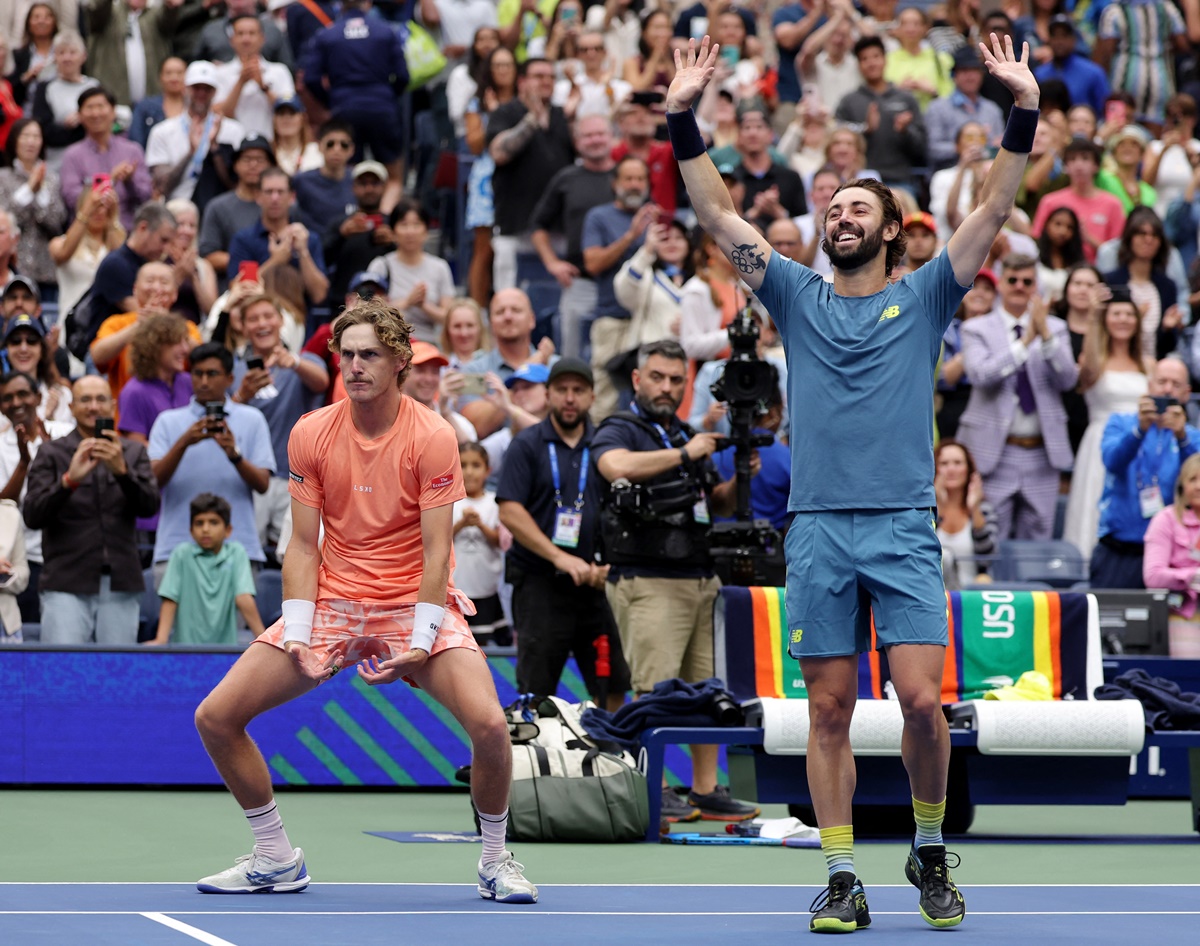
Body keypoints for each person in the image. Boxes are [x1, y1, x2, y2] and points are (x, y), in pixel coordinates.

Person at [664, 31, 1041, 932]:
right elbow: (719, 216)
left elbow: (992, 206)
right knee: (827, 709)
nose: (840, 214)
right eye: (833, 206)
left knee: (920, 701)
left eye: (857, 207)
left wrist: (1021, 109)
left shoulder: (931, 292)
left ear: (894, 233)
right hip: (819, 529)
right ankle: (841, 877)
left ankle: (929, 848)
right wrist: (681, 116)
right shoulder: (795, 294)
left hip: (905, 525)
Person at [191, 298, 539, 903]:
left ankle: (493, 860)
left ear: (400, 360)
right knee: (216, 718)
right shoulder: (310, 432)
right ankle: (275, 856)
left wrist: (421, 642)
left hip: (415, 601)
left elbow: (438, 555)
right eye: (346, 355)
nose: (354, 366)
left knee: (489, 726)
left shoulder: (432, 435)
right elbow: (302, 545)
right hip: (334, 601)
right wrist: (298, 631)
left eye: (369, 355)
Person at [591, 338, 759, 823]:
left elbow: (717, 504)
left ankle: (705, 790)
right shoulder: (620, 428)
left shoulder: (683, 432)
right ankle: (653, 786)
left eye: (676, 380)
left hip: (700, 577)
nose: (667, 388)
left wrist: (737, 479)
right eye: (658, 378)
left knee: (707, 691)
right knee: (655, 689)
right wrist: (686, 453)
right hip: (648, 578)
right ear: (639, 380)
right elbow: (614, 466)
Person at [498, 357, 630, 707]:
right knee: (535, 691)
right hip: (541, 585)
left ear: (591, 396)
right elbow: (510, 510)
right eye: (561, 390)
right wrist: (561, 558)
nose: (569, 398)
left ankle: (611, 756)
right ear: (547, 394)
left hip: (596, 586)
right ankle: (542, 759)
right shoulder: (527, 444)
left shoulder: (605, 447)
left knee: (613, 683)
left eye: (578, 390)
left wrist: (610, 566)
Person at [22, 375, 159, 644]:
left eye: (100, 399)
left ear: (113, 405)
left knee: (116, 676)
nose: (93, 407)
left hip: (121, 582)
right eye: (85, 400)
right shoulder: (52, 453)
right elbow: (32, 515)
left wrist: (122, 473)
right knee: (64, 675)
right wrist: (68, 481)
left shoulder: (132, 453)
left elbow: (150, 507)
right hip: (65, 583)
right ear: (71, 407)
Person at [958, 255, 1079, 541]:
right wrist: (1025, 343)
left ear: (1036, 285)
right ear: (1000, 283)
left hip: (1042, 453)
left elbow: (1068, 380)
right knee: (990, 538)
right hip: (993, 453)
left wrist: (1045, 334)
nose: (1020, 287)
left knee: (1039, 540)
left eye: (1028, 281)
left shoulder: (1056, 328)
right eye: (1013, 280)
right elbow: (980, 375)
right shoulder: (976, 328)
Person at [148, 342, 274, 580]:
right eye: (198, 373)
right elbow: (152, 481)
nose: (204, 381)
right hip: (176, 548)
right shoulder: (167, 421)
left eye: (212, 374)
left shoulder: (252, 419)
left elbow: (263, 484)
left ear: (229, 378)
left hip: (238, 548)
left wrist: (234, 455)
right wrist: (184, 442)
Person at [229, 294, 328, 549]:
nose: (262, 323)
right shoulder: (235, 371)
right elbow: (226, 422)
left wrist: (294, 363)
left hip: (297, 476)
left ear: (280, 320)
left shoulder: (305, 361)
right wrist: (242, 395)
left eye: (267, 316)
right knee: (248, 552)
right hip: (252, 478)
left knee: (297, 552)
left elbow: (322, 382)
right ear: (243, 326)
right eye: (253, 319)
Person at [1094, 356, 1198, 589]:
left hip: (1171, 555)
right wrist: (1139, 431)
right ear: (1149, 385)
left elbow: (1196, 478)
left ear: (1186, 393)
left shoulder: (1191, 435)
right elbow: (1112, 461)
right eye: (1162, 381)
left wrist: (1182, 438)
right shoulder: (1121, 423)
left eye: (1176, 384)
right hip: (1119, 546)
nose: (1168, 388)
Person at [1062, 287, 1148, 561]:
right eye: (1116, 314)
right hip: (1102, 443)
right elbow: (1086, 374)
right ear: (1106, 319)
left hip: (1141, 445)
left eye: (1129, 314)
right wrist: (1094, 316)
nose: (1123, 319)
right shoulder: (1094, 361)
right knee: (1095, 504)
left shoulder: (1148, 363)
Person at [302, 0, 409, 211]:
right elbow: (404, 76)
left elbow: (311, 78)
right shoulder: (386, 31)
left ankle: (354, 221)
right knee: (394, 177)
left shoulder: (328, 34)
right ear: (368, 3)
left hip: (344, 108)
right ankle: (384, 223)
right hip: (382, 107)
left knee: (349, 174)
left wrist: (331, 100)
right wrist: (387, 96)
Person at [529, 113, 618, 362]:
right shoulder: (567, 178)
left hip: (622, 284)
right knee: (571, 356)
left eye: (600, 134)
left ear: (611, 137)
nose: (595, 140)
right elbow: (537, 225)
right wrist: (552, 263)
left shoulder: (626, 176)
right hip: (580, 283)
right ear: (578, 142)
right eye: (588, 135)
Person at [487, 57, 575, 291]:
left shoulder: (561, 115)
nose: (546, 81)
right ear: (522, 81)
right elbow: (499, 153)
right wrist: (531, 120)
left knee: (560, 291)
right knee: (507, 295)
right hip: (514, 223)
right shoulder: (506, 112)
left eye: (550, 77)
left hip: (556, 225)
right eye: (538, 76)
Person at [0, 368, 73, 628]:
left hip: (65, 554)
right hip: (23, 559)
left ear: (38, 398)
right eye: (7, 398)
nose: (16, 403)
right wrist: (24, 462)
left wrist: (54, 451)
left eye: (23, 394)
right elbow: (2, 505)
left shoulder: (65, 433)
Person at [150, 491, 264, 646]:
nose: (205, 529)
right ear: (191, 530)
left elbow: (243, 597)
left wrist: (264, 640)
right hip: (185, 651)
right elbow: (170, 599)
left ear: (228, 530)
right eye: (199, 523)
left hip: (224, 652)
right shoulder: (181, 553)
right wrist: (161, 640)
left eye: (213, 522)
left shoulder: (237, 552)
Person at [146, 60, 247, 209]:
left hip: (220, 206)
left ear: (215, 92)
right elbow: (162, 186)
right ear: (185, 89)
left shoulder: (233, 130)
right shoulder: (162, 131)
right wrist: (190, 153)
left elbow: (236, 183)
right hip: (177, 206)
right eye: (196, 88)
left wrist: (215, 149)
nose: (201, 93)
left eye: (207, 89)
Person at [835, 34, 928, 194]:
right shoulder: (849, 101)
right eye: (864, 59)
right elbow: (838, 138)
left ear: (885, 59)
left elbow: (922, 148)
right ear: (858, 65)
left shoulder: (906, 99)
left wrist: (905, 131)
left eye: (876, 56)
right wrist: (866, 130)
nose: (871, 63)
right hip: (861, 180)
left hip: (900, 181)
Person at [227, 167, 329, 308]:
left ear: (292, 197)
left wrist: (303, 252)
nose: (275, 198)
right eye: (269, 192)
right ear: (258, 196)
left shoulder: (308, 239)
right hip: (257, 318)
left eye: (280, 192)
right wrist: (275, 261)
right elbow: (237, 289)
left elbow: (319, 295)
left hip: (303, 321)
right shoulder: (243, 239)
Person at [58, 86, 153, 232]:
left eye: (101, 107)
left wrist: (129, 181)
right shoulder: (72, 155)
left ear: (113, 111)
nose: (96, 113)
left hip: (126, 232)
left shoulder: (132, 150)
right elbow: (72, 199)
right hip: (87, 235)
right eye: (89, 108)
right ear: (80, 115)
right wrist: (110, 181)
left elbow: (146, 196)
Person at [367, 199, 456, 345]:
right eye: (403, 225)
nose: (410, 231)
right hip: (389, 342)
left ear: (426, 231)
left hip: (428, 343)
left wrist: (424, 305)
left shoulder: (440, 267)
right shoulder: (380, 266)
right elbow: (370, 312)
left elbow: (449, 317)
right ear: (393, 231)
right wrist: (407, 302)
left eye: (416, 225)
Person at [1030, 136, 1126, 264]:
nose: (1078, 165)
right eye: (1072, 159)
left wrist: (1086, 238)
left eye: (1085, 158)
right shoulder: (1050, 201)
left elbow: (1118, 252)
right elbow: (1037, 241)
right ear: (1066, 166)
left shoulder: (1113, 204)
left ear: (1096, 166)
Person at [0, 118, 67, 298]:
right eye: (26, 136)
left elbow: (56, 222)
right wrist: (29, 190)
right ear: (15, 140)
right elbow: (5, 220)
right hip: (13, 266)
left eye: (36, 136)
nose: (31, 141)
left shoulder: (51, 179)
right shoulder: (3, 177)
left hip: (47, 267)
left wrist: (40, 194)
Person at [451, 441, 507, 644]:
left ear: (488, 470)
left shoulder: (495, 503)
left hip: (486, 589)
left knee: (486, 645)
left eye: (476, 465)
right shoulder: (450, 502)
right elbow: (439, 539)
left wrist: (480, 525)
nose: (469, 472)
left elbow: (500, 542)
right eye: (463, 465)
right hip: (456, 589)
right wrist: (462, 524)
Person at [86, 200, 177, 323]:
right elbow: (147, 316)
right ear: (143, 228)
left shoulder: (150, 264)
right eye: (163, 240)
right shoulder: (115, 264)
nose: (166, 249)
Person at [196, 133, 272, 279]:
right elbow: (208, 255)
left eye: (260, 159)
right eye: (247, 159)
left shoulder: (280, 205)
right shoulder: (217, 207)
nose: (253, 165)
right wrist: (250, 260)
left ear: (271, 165)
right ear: (235, 165)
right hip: (232, 286)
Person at [1147, 453, 1200, 658]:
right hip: (1179, 612)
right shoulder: (1165, 519)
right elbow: (1153, 576)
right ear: (1181, 486)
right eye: (1192, 479)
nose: (1198, 486)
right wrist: (1192, 576)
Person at [84, 0, 182, 109]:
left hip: (150, 100)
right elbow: (96, 13)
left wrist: (171, 7)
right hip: (113, 102)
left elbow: (169, 24)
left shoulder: (155, 14)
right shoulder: (110, 12)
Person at [212, 14, 295, 143]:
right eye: (240, 34)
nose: (246, 39)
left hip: (272, 144)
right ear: (231, 40)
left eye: (252, 33)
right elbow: (219, 114)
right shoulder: (220, 73)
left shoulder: (279, 71)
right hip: (233, 145)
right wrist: (241, 82)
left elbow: (290, 110)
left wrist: (263, 86)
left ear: (262, 38)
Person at [924, 46, 1005, 171]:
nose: (970, 76)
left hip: (985, 172)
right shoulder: (938, 108)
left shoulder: (992, 109)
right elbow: (932, 149)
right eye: (964, 71)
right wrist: (962, 147)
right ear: (954, 75)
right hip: (949, 171)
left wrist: (994, 146)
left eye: (974, 71)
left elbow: (999, 143)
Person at [48, 181, 123, 318]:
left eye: (103, 206)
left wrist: (113, 219)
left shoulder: (115, 244)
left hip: (107, 327)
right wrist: (86, 211)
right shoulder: (60, 242)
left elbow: (124, 266)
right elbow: (63, 253)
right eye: (94, 205)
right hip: (72, 325)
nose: (98, 211)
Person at [323, 160, 394, 302]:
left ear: (384, 187)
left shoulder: (394, 224)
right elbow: (323, 259)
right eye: (363, 184)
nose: (369, 189)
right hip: (343, 303)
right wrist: (341, 235)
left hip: (387, 301)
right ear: (353, 187)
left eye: (374, 184)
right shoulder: (340, 224)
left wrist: (393, 242)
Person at [934, 439, 998, 588]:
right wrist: (940, 508)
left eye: (957, 463)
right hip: (933, 591)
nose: (951, 469)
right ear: (934, 469)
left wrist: (974, 509)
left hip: (972, 595)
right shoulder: (925, 510)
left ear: (968, 469)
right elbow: (920, 548)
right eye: (944, 464)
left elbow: (988, 557)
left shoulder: (985, 509)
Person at [29, 30, 95, 167]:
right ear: (54, 58)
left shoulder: (94, 87)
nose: (67, 58)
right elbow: (44, 131)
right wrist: (71, 127)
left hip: (92, 159)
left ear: (83, 56)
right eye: (61, 53)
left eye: (72, 52)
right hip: (58, 162)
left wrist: (83, 118)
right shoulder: (45, 88)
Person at [1, 313, 72, 428]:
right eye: (15, 341)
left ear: (42, 349)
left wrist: (51, 420)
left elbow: (67, 443)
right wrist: (44, 417)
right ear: (6, 349)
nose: (23, 348)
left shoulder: (62, 395)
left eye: (31, 340)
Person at [1033, 14, 1109, 118]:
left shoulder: (1093, 73)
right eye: (1055, 36)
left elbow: (1103, 112)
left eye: (1064, 35)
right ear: (1048, 40)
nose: (1059, 41)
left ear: (1074, 39)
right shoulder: (1039, 74)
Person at [291, 120, 356, 233]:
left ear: (352, 150)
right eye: (330, 144)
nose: (336, 149)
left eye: (344, 145)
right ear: (320, 146)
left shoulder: (359, 180)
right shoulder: (301, 181)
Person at [165, 198, 218, 325]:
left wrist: (193, 276)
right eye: (180, 224)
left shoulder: (203, 266)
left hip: (196, 332)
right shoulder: (155, 261)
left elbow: (212, 310)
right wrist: (178, 276)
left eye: (192, 226)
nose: (187, 231)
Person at [128, 56, 186, 150]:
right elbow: (135, 142)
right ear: (161, 77)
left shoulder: (197, 106)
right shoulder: (144, 107)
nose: (174, 78)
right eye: (168, 73)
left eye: (179, 73)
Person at [270, 97, 320, 177]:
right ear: (274, 120)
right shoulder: (268, 153)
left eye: (292, 113)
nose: (286, 118)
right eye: (281, 113)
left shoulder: (317, 151)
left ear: (303, 118)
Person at [441, 297, 491, 370]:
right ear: (447, 330)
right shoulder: (438, 368)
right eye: (457, 326)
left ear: (480, 328)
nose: (464, 333)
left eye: (470, 325)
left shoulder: (493, 365)